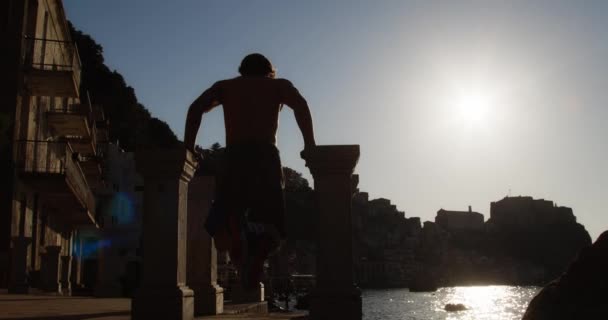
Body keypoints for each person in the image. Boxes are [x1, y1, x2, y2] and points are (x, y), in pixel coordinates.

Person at [184, 53, 316, 289]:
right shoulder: (278, 86)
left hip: (235, 156)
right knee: (272, 223)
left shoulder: (225, 87)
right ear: (269, 71)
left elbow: (195, 108)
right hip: (265, 155)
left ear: (241, 70)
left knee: (224, 215)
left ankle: (238, 249)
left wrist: (188, 147)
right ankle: (254, 258)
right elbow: (301, 105)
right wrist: (309, 144)